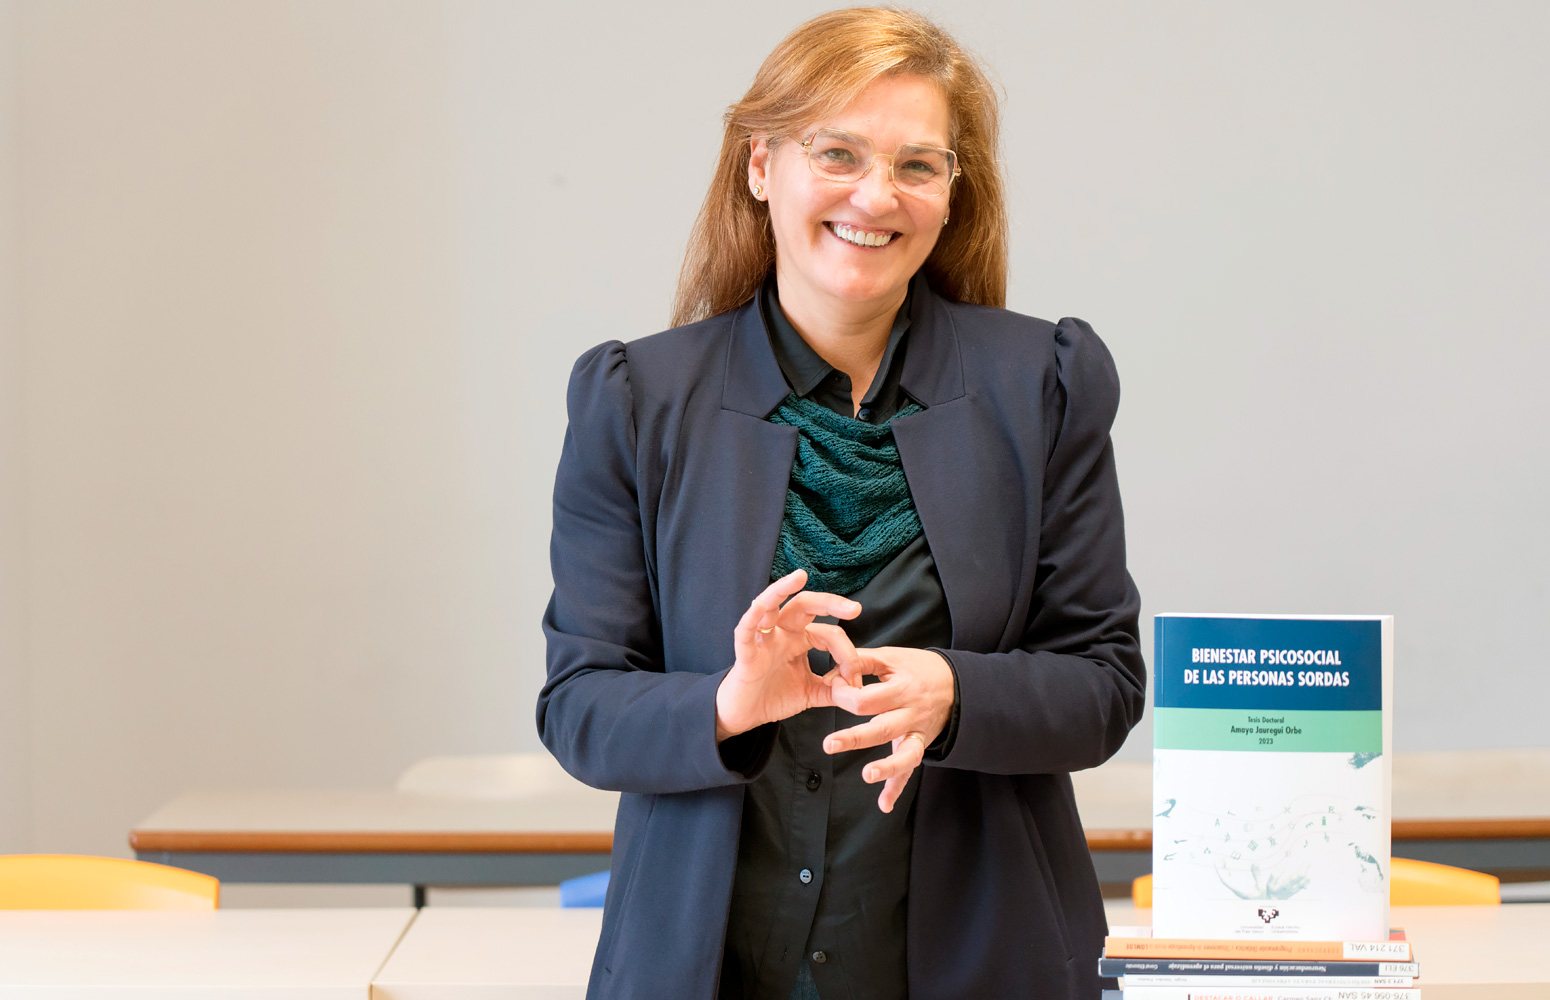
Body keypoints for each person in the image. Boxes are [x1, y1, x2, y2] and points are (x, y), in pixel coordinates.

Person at [538, 8, 1145, 999]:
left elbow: (1103, 683)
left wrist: (956, 692)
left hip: (990, 963)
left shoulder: (1042, 384)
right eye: (838, 153)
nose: (876, 195)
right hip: (702, 967)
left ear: (950, 193)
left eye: (917, 165)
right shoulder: (636, 400)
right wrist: (728, 704)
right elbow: (579, 706)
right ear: (760, 165)